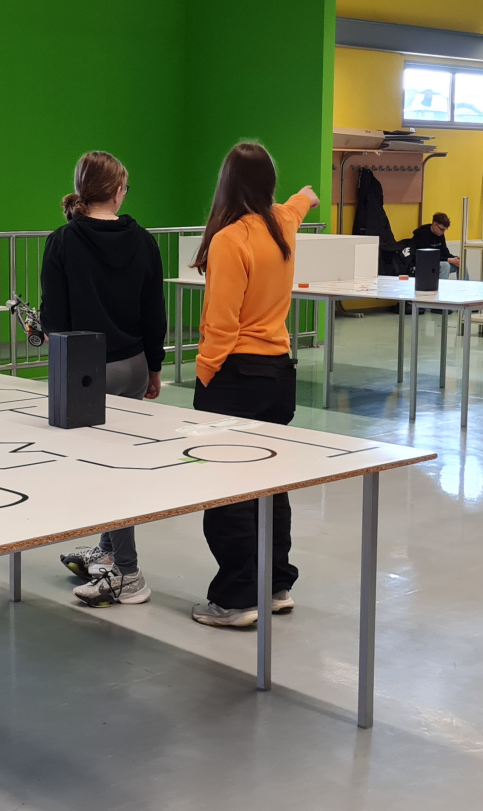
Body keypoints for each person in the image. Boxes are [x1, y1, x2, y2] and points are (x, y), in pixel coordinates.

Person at [187, 142, 319, 628]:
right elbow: (301, 203)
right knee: (270, 485)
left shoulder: (230, 239)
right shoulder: (281, 223)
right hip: (278, 375)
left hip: (235, 376)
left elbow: (221, 323)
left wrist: (205, 373)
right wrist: (306, 196)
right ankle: (276, 584)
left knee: (227, 491)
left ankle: (238, 598)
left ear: (226, 184)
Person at [40, 151, 167, 608]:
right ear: (116, 192)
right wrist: (155, 366)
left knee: (102, 473)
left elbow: (55, 320)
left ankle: (128, 572)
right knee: (118, 464)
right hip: (133, 364)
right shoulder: (144, 241)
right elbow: (154, 313)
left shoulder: (62, 241)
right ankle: (109, 551)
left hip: (84, 372)